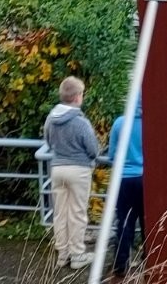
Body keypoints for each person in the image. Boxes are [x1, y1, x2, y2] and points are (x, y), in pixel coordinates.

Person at [44, 76, 100, 270]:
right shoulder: (80, 121)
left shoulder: (51, 118)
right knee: (77, 213)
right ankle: (77, 255)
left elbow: (48, 141)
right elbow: (93, 149)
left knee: (60, 213)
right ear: (77, 97)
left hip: (57, 168)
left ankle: (62, 255)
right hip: (79, 170)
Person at [108, 97, 144, 281]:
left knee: (124, 222)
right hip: (147, 179)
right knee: (150, 222)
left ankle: (121, 265)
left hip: (123, 179)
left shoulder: (119, 123)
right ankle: (152, 259)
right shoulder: (152, 124)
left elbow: (112, 155)